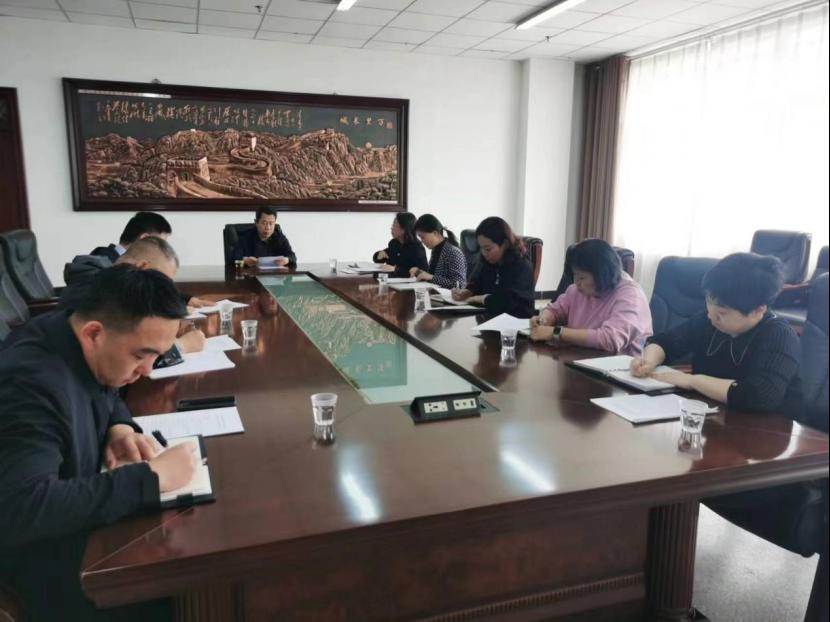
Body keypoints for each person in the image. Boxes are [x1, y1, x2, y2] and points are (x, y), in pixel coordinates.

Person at [0, 266, 199, 621]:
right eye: (140, 356)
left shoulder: (75, 335)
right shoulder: (30, 384)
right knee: (186, 585)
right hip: (47, 566)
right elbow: (22, 507)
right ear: (94, 333)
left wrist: (119, 428)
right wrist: (150, 479)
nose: (148, 370)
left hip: (82, 528)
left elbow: (108, 390)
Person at [629, 252, 801, 413]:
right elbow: (665, 342)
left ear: (758, 310)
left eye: (722, 313)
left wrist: (693, 381)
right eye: (708, 302)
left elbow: (762, 395)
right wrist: (648, 361)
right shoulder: (708, 320)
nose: (711, 316)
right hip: (709, 416)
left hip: (761, 428)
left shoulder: (780, 336)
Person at [63, 237, 206, 356]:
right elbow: (126, 353)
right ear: (141, 267)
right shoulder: (99, 288)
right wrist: (182, 346)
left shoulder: (110, 279)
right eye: (159, 283)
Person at [530, 239, 652, 355]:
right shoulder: (577, 290)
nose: (576, 282)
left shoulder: (631, 296)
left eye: (582, 277)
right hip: (578, 359)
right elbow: (555, 310)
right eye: (575, 275)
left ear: (601, 274)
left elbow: (610, 339)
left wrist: (556, 332)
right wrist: (544, 319)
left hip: (619, 366)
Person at [451, 217, 534, 318]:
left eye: (488, 249)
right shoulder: (488, 260)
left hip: (514, 322)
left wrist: (482, 299)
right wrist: (468, 292)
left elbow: (510, 301)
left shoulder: (522, 265)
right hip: (488, 317)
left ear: (505, 244)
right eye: (481, 248)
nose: (483, 253)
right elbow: (478, 283)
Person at [90, 211, 173, 263]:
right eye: (160, 244)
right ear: (145, 239)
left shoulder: (132, 266)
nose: (161, 252)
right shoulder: (98, 265)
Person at [410, 214, 466, 288]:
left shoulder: (453, 252)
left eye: (423, 237)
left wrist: (431, 277)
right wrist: (419, 272)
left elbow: (459, 285)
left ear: (435, 233)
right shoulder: (436, 250)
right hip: (435, 293)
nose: (422, 241)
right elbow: (434, 276)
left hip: (447, 295)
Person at [231, 206, 297, 267]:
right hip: (252, 275)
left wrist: (286, 260)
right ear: (256, 222)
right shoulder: (246, 238)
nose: (268, 227)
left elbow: (292, 256)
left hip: (274, 275)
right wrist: (244, 260)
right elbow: (233, 258)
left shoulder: (279, 237)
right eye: (264, 223)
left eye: (271, 223)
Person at [372, 212, 428, 278]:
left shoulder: (417, 248)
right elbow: (383, 257)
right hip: (391, 280)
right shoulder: (394, 243)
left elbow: (422, 272)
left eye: (394, 225)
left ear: (404, 229)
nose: (391, 228)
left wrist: (395, 269)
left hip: (408, 283)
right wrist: (379, 255)